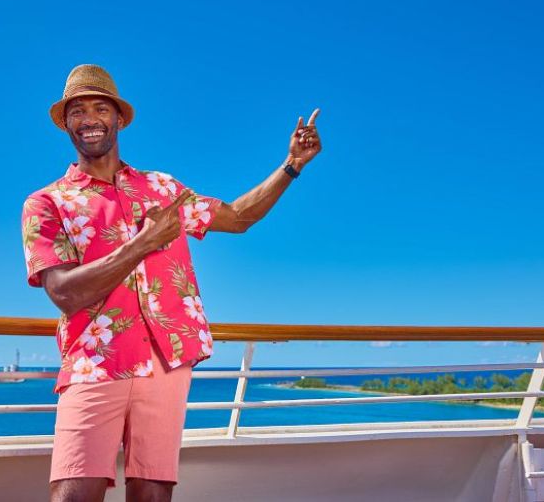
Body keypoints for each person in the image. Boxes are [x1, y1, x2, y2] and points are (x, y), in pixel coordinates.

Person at [21, 64, 322, 502]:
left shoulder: (163, 188)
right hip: (95, 361)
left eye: (100, 108)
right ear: (66, 123)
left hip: (167, 360)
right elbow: (65, 293)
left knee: (153, 494)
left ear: (118, 119)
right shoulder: (46, 202)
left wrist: (292, 165)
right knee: (73, 493)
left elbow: (238, 218)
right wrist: (142, 244)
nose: (89, 119)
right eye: (78, 111)